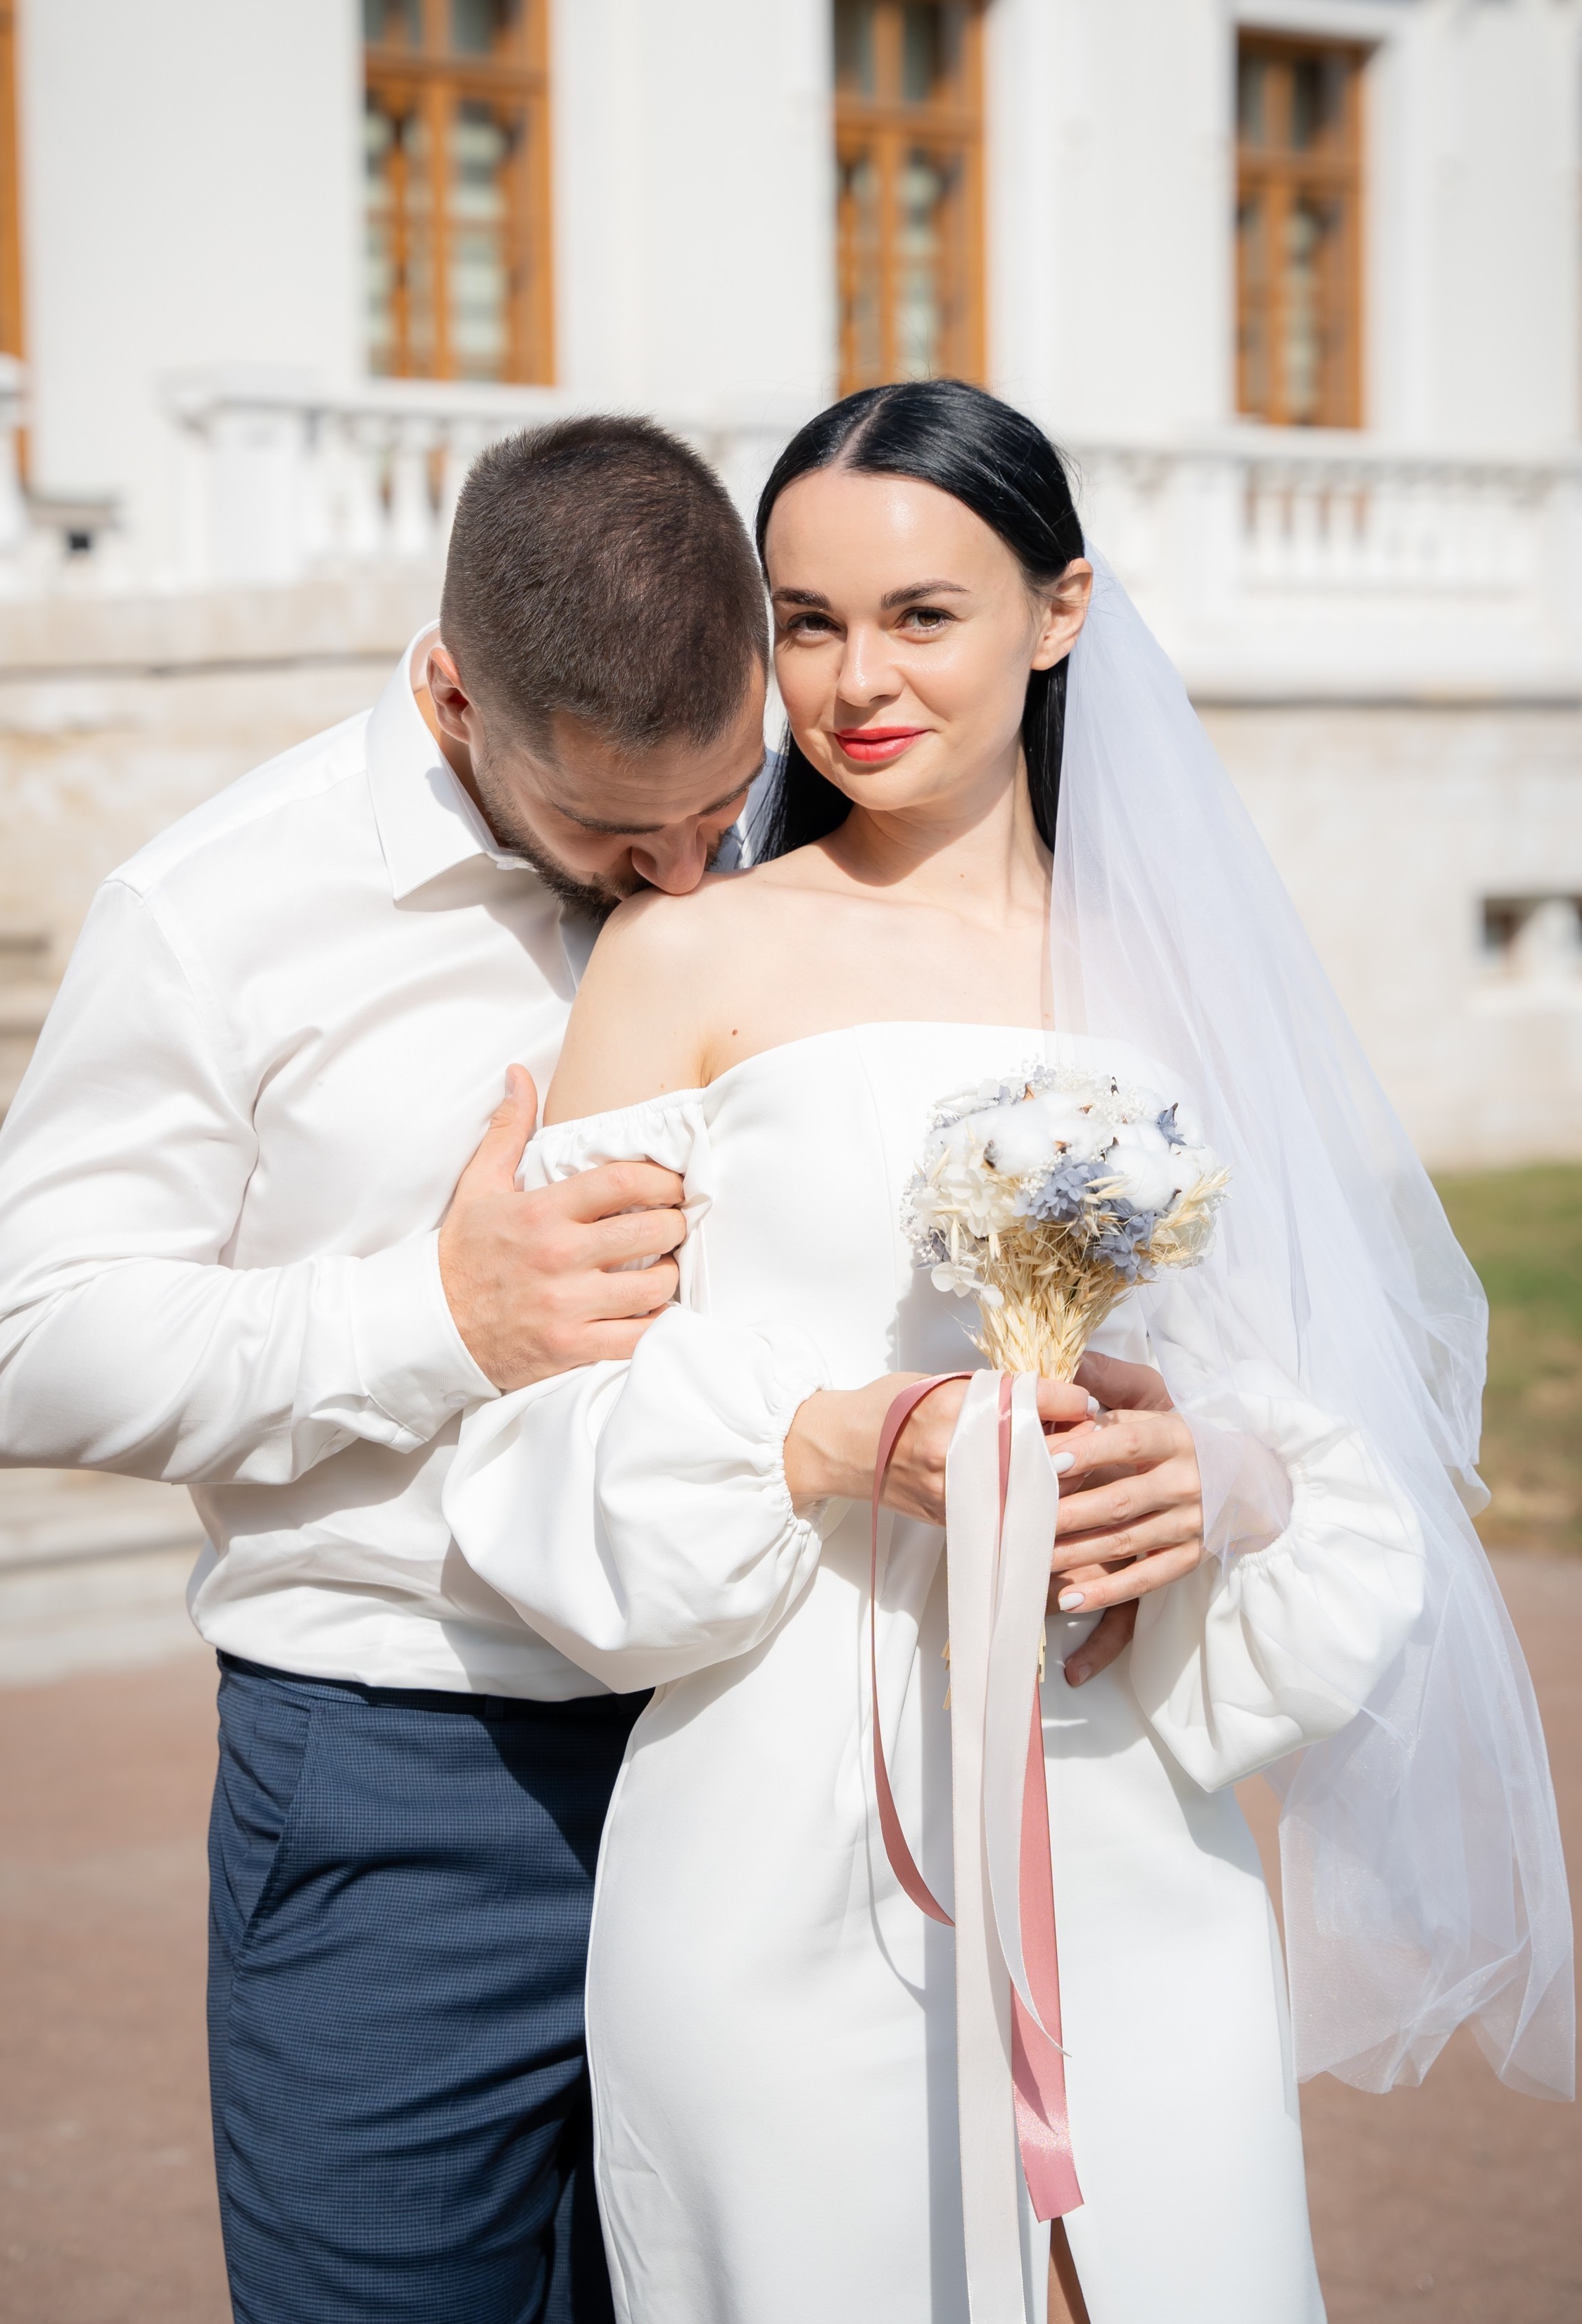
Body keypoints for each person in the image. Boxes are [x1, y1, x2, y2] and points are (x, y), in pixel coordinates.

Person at [444, 381, 1574, 2323]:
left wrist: (1220, 1474)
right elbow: (552, 1427)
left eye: (921, 614)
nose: (854, 680)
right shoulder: (685, 957)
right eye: (808, 622)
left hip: (1122, 1807)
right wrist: (823, 1439)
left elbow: (1298, 1393)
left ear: (1060, 611)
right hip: (779, 1824)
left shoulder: (1170, 969)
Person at [0, 417, 783, 2324]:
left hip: (756, 1751)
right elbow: (17, 1346)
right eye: (612, 829)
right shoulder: (213, 912)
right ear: (454, 693)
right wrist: (435, 1319)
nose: (682, 874)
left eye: (721, 801)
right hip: (411, 1784)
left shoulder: (790, 846)